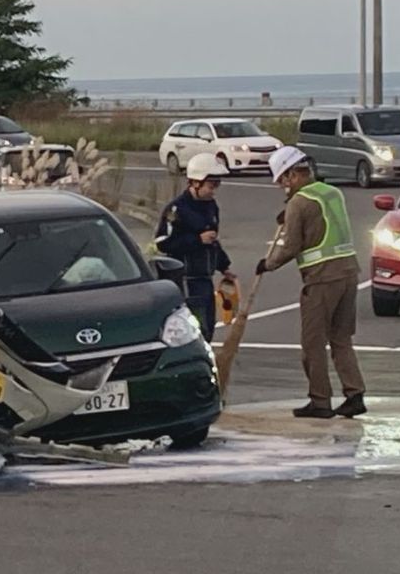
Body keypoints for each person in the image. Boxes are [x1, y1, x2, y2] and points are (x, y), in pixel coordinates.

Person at [257, 146, 366, 419]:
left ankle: (320, 401)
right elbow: (318, 220)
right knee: (341, 338)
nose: (282, 186)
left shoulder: (299, 203)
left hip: (321, 278)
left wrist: (268, 265)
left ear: (293, 174)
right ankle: (355, 394)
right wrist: (290, 215)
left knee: (313, 342)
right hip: (349, 271)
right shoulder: (331, 193)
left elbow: (292, 245)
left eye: (283, 180)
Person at [154, 153, 237, 342]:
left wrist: (224, 266)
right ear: (195, 182)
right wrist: (197, 240)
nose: (213, 191)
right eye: (211, 186)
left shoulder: (211, 206)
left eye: (217, 185)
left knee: (209, 326)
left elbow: (213, 241)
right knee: (195, 329)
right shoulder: (176, 210)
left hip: (205, 279)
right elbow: (162, 242)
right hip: (186, 280)